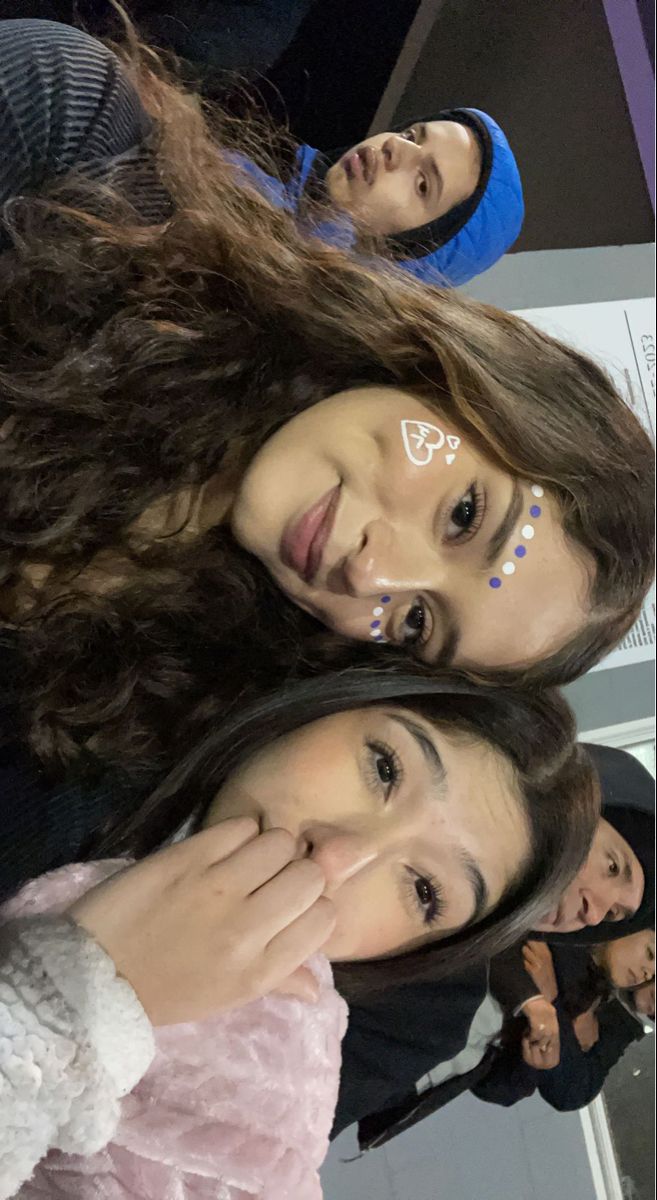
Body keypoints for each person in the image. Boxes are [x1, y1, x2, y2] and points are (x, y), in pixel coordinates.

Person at [0, 19, 653, 785]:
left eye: (415, 622)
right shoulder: (78, 139)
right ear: (452, 377)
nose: (370, 576)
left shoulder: (131, 706)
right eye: (465, 516)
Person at [0, 671, 598, 1193]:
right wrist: (68, 1006)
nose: (335, 857)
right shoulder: (44, 732)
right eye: (384, 769)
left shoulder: (272, 1083)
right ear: (335, 697)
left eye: (424, 890)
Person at [332, 744, 654, 1140]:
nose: (595, 909)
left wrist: (545, 1030)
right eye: (612, 865)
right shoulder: (405, 825)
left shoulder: (449, 1004)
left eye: (613, 916)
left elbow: (520, 1087)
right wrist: (538, 1001)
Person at [355, 929, 654, 1152]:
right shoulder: (567, 936)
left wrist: (553, 1012)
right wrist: (549, 1010)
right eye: (651, 955)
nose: (645, 972)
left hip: (420, 1078)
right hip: (400, 1015)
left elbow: (513, 1089)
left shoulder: (599, 1005)